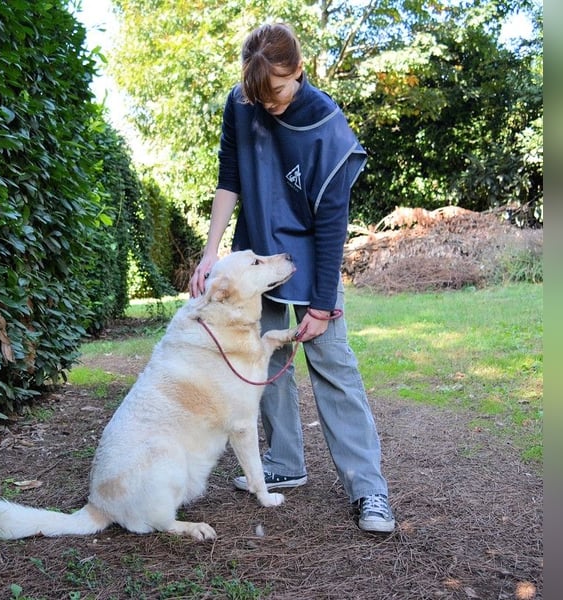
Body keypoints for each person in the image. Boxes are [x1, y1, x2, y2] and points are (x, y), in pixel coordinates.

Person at [188, 22, 395, 533]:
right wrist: (212, 251)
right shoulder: (243, 103)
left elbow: (331, 227)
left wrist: (323, 305)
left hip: (309, 258)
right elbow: (229, 179)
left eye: (276, 92)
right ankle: (284, 463)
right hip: (260, 260)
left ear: (298, 71)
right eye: (258, 94)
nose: (268, 104)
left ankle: (369, 489)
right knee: (265, 356)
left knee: (334, 368)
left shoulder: (327, 125)